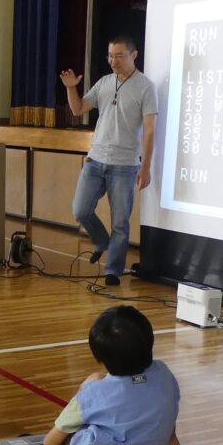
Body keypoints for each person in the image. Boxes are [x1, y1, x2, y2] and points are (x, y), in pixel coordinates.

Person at [18, 306, 215, 445]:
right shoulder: (165, 377)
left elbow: (49, 444)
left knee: (75, 428)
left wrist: (84, 392)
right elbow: (169, 437)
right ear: (149, 343)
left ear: (101, 359)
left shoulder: (95, 392)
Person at [60, 34, 158, 287]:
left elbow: (149, 130)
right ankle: (101, 241)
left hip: (125, 166)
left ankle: (112, 270)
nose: (113, 61)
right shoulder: (104, 82)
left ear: (134, 55)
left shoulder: (146, 87)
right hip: (95, 161)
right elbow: (78, 109)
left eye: (119, 56)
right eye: (110, 56)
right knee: (80, 210)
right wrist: (71, 87)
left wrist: (145, 167)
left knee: (121, 223)